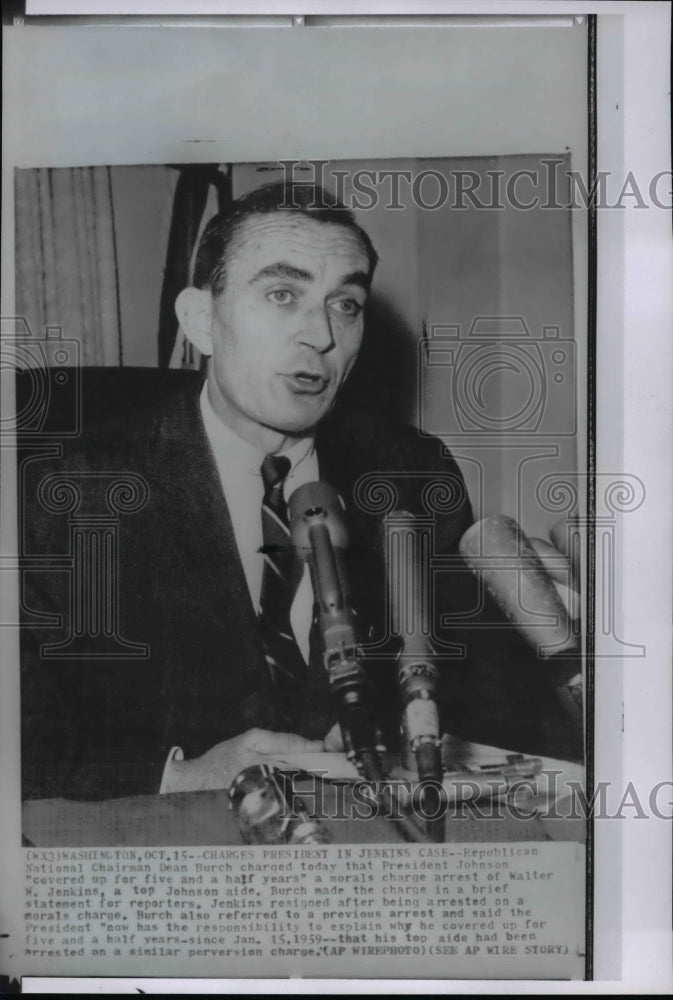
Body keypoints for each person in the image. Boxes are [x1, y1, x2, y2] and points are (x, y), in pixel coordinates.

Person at [19, 181, 582, 803]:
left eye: (345, 303)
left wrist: (559, 657)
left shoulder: (410, 473)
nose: (320, 333)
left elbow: (485, 704)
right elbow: (21, 740)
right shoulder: (61, 491)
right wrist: (178, 774)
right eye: (283, 294)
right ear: (202, 321)